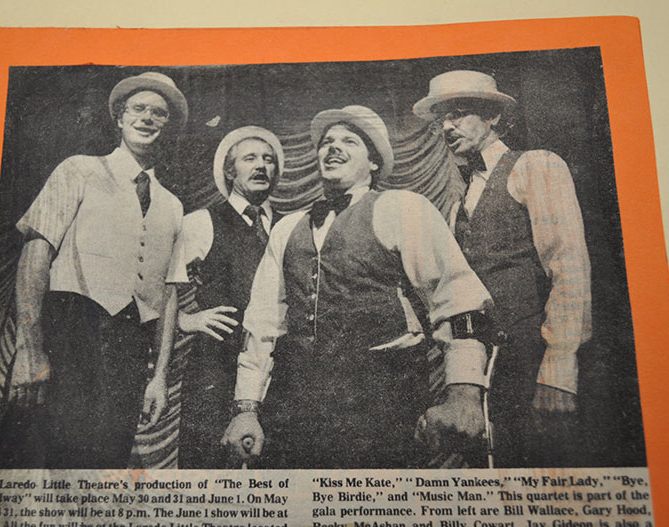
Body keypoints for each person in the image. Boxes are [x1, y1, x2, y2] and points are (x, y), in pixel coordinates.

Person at [221, 105, 493, 469]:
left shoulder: (402, 208)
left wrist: (463, 395)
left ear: (375, 162)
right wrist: (246, 409)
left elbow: (458, 303)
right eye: (327, 141)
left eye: (349, 140)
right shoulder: (287, 229)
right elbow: (262, 327)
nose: (333, 147)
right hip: (297, 409)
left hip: (383, 406)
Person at [8, 72, 189, 469]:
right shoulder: (79, 170)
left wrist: (158, 377)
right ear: (120, 119)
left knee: (103, 472)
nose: (147, 118)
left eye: (158, 113)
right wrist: (30, 347)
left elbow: (169, 293)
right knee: (52, 465)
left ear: (168, 127)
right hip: (69, 333)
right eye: (138, 109)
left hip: (129, 346)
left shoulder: (173, 206)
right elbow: (35, 255)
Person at [413, 70, 592, 466]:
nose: (447, 126)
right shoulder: (460, 200)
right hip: (490, 370)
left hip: (536, 361)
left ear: (493, 116)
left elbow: (569, 268)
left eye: (458, 114)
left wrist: (559, 368)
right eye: (441, 119)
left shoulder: (536, 166)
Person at [177, 126, 285, 468]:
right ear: (229, 170)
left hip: (275, 368)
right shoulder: (201, 222)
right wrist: (186, 320)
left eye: (268, 160)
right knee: (205, 473)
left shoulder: (290, 227)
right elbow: (156, 286)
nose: (261, 166)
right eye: (250, 158)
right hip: (214, 369)